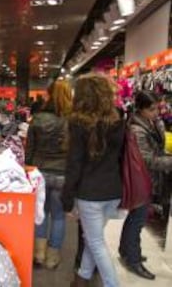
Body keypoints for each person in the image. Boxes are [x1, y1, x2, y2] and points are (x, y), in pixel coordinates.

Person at [62, 74, 124, 287]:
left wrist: (67, 199)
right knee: (92, 239)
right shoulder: (118, 120)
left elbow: (74, 164)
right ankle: (82, 278)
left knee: (96, 242)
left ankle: (111, 284)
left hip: (90, 194)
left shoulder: (78, 123)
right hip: (113, 191)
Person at [119, 91, 172, 280]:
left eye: (158, 108)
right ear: (141, 109)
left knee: (136, 218)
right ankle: (133, 260)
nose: (156, 112)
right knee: (138, 219)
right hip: (141, 179)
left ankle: (127, 251)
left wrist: (157, 123)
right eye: (152, 109)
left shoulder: (150, 123)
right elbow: (146, 160)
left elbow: (157, 147)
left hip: (147, 178)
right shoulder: (136, 129)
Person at [26, 80, 72, 269]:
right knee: (59, 216)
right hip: (63, 173)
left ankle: (39, 254)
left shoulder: (38, 118)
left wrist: (27, 168)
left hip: (40, 172)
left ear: (48, 94)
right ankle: (52, 257)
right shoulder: (73, 120)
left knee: (41, 214)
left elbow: (29, 148)